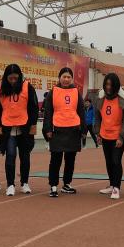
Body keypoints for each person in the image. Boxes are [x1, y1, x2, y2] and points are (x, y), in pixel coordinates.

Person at [0, 63, 38, 196]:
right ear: (6, 77)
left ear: (19, 76)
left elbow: (34, 107)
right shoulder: (0, 89)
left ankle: (24, 183)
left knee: (25, 156)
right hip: (8, 128)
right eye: (10, 78)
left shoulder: (27, 87)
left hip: (24, 128)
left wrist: (32, 124)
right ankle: (10, 185)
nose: (13, 81)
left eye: (15, 78)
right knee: (10, 156)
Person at [43, 66, 85, 197]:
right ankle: (53, 186)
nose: (66, 79)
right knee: (55, 159)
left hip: (73, 130)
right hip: (57, 130)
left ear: (72, 79)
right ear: (59, 78)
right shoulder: (53, 92)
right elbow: (48, 112)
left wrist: (83, 130)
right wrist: (48, 129)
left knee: (70, 160)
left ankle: (67, 184)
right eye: (64, 77)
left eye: (69, 77)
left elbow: (81, 111)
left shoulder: (76, 92)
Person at [96, 73, 124, 200]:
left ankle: (116, 187)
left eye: (111, 85)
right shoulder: (101, 97)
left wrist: (121, 137)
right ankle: (112, 185)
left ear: (116, 85)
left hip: (118, 136)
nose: (108, 87)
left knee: (116, 161)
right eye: (106, 84)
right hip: (105, 135)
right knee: (109, 161)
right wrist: (98, 133)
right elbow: (98, 117)